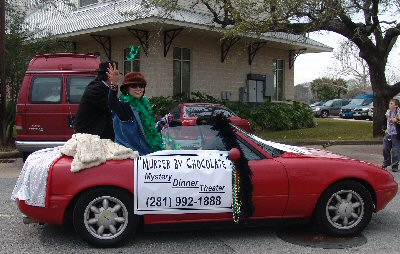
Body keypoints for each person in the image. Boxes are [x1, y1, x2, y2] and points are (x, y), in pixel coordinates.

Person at [107, 64, 165, 155]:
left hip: (147, 152)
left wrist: (161, 123)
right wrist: (113, 84)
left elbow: (149, 129)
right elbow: (112, 104)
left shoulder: (144, 105)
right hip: (133, 154)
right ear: (127, 89)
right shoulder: (125, 106)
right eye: (134, 86)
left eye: (141, 86)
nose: (138, 89)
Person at [74, 61, 117, 140]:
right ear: (108, 74)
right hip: (89, 134)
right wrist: (113, 85)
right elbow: (112, 107)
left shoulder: (104, 87)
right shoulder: (95, 88)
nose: (118, 77)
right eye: (116, 74)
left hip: (99, 132)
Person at [382, 98, 400, 172]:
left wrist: (397, 120)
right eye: (389, 103)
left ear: (396, 105)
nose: (390, 105)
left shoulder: (399, 112)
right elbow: (386, 120)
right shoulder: (388, 112)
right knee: (385, 148)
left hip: (396, 133)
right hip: (389, 132)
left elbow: (398, 121)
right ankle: (387, 161)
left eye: (391, 103)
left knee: (395, 150)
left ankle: (394, 165)